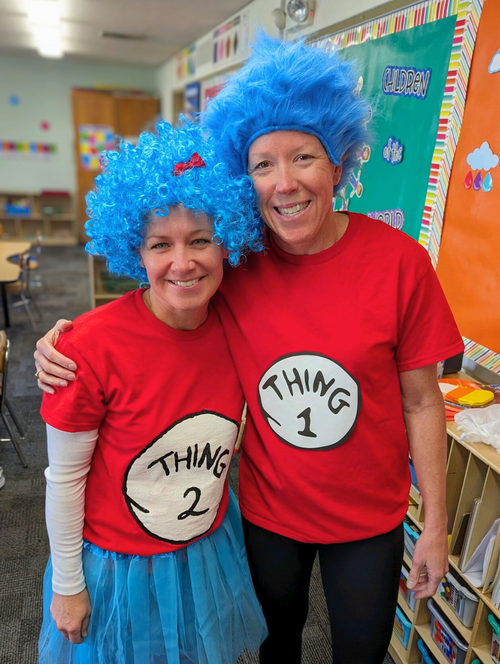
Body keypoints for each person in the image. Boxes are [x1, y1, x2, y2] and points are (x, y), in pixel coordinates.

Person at [34, 33, 464, 664]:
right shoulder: (240, 261)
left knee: (361, 651)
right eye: (263, 164)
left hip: (369, 519)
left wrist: (436, 526)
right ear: (247, 180)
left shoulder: (400, 263)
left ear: (339, 163)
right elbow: (169, 283)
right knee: (273, 648)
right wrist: (66, 339)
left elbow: (423, 402)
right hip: (266, 515)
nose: (284, 183)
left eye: (304, 157)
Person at [37, 119, 267, 664]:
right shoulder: (87, 348)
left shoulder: (241, 328)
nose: (182, 263)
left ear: (227, 242)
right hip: (119, 566)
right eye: (161, 244)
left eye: (201, 240)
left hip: (206, 549)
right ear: (135, 252)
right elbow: (64, 479)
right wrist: (67, 584)